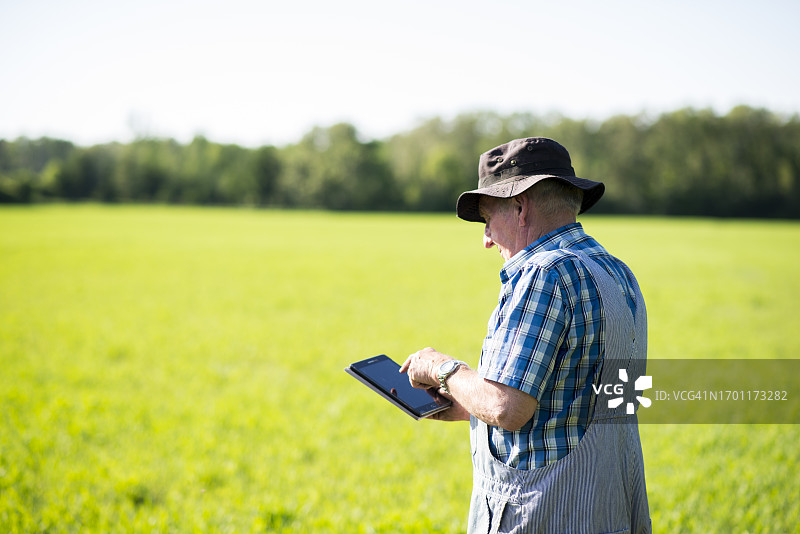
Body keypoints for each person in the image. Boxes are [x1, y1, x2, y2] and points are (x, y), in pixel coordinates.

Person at [400, 137, 651, 533]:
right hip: (613, 507)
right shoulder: (618, 272)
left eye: (486, 219)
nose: (485, 239)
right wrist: (467, 405)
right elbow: (581, 399)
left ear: (520, 207)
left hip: (547, 514)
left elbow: (508, 409)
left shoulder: (543, 274)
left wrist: (443, 369)